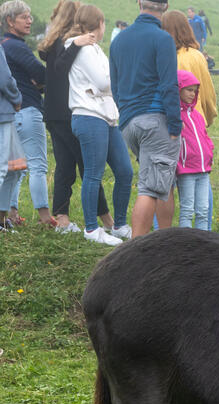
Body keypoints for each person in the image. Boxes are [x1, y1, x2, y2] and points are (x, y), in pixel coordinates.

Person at [38, 0, 115, 235]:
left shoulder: (52, 41)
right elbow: (63, 69)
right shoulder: (70, 42)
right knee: (88, 165)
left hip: (52, 113)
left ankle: (62, 217)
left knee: (65, 166)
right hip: (67, 112)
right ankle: (106, 220)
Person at [110, 0, 180, 238]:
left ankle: (164, 243)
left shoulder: (119, 39)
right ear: (166, 6)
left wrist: (126, 114)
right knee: (150, 188)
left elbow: (115, 86)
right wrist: (175, 124)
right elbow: (170, 84)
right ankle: (136, 250)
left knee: (164, 180)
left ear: (139, 2)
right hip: (156, 120)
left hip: (130, 121)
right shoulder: (162, 39)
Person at [66, 2, 132, 245]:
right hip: (89, 116)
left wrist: (107, 84)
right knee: (94, 174)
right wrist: (109, 83)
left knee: (125, 171)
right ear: (99, 24)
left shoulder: (94, 48)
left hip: (107, 117)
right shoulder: (80, 48)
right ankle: (92, 229)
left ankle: (120, 224)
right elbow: (105, 83)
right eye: (104, 23)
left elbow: (106, 82)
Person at [1, 0, 56, 228]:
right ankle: (45, 217)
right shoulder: (16, 46)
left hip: (14, 114)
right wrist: (38, 83)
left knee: (17, 167)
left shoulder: (5, 45)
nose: (30, 20)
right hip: (27, 109)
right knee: (37, 165)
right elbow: (41, 73)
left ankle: (12, 214)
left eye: (30, 16)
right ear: (10, 21)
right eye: (24, 17)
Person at [162, 9, 216, 125]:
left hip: (169, 123)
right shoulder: (197, 56)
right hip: (195, 120)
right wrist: (207, 119)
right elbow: (207, 94)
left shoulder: (163, 58)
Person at [175, 69, 212, 229]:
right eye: (188, 90)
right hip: (186, 171)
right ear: (179, 89)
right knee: (187, 210)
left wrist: (209, 152)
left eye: (195, 91)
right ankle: (186, 245)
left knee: (203, 210)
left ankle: (202, 245)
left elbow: (205, 137)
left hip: (203, 171)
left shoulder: (197, 115)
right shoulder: (175, 116)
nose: (192, 94)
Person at [0, 26, 18, 231]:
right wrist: (17, 97)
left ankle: (2, 218)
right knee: (3, 168)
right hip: (3, 113)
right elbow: (5, 78)